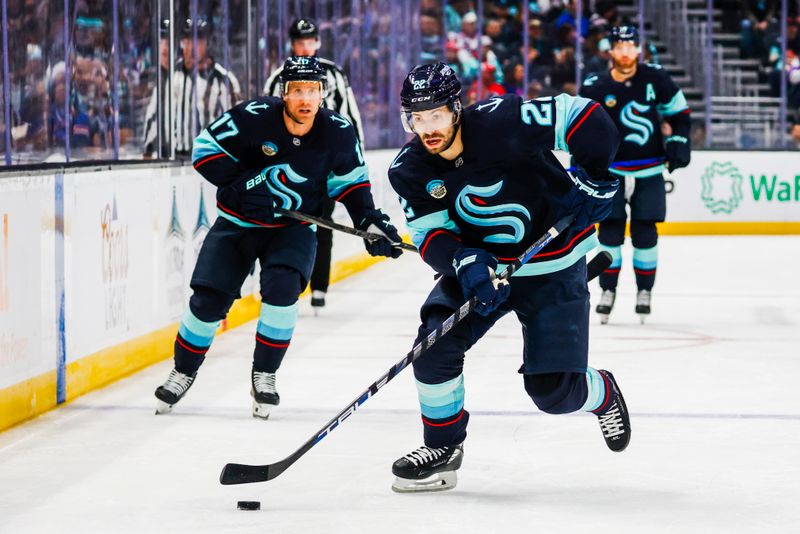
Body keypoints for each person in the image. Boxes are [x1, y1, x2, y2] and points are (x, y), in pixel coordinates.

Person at [386, 62, 629, 493]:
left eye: (436, 115)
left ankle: (602, 393)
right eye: (417, 118)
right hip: (481, 269)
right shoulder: (410, 169)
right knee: (432, 350)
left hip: (553, 264)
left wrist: (595, 176)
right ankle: (443, 448)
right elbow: (429, 235)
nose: (427, 128)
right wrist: (461, 260)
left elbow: (585, 116)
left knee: (554, 393)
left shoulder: (502, 121)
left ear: (456, 108)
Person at [154, 57, 403, 419]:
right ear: (283, 93)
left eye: (313, 91)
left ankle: (265, 374)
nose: (306, 99)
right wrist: (242, 187)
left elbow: (351, 185)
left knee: (284, 290)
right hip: (237, 224)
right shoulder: (253, 116)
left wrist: (370, 223)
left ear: (324, 94)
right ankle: (183, 370)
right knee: (208, 299)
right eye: (297, 90)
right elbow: (204, 151)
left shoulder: (338, 130)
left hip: (293, 229)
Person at [579, 26, 691, 324]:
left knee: (645, 231)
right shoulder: (595, 85)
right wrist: (582, 160)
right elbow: (577, 126)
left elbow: (680, 113)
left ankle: (645, 291)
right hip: (610, 173)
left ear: (639, 49)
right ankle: (608, 290)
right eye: (620, 46)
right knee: (610, 232)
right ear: (611, 51)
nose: (625, 52)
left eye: (631, 46)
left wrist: (680, 140)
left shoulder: (656, 78)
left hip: (650, 169)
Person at [264, 18, 365, 312]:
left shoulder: (333, 74)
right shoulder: (279, 77)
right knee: (286, 224)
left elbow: (350, 117)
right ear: (292, 44)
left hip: (325, 166)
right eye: (299, 42)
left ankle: (319, 286)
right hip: (287, 168)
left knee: (323, 225)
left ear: (317, 42)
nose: (305, 47)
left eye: (309, 41)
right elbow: (266, 118)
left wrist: (354, 159)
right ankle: (287, 284)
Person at [143, 16, 242, 157]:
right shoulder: (169, 75)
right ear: (182, 42)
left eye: (199, 40)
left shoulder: (224, 80)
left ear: (207, 43)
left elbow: (239, 124)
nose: (193, 45)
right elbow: (153, 117)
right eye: (188, 40)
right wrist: (147, 152)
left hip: (210, 162)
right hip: (173, 161)